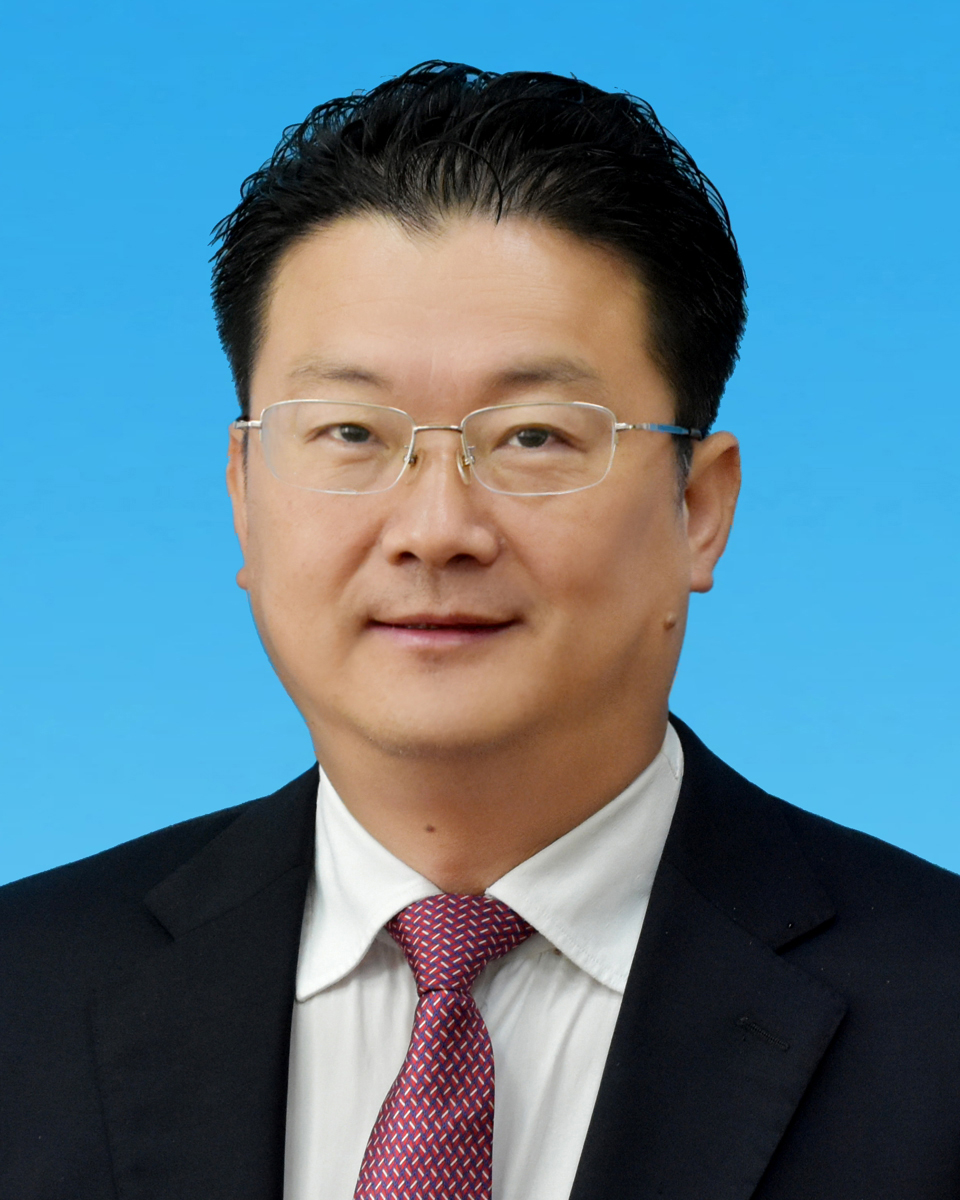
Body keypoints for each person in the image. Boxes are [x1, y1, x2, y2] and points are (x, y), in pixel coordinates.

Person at [1, 60, 958, 1200]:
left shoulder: (935, 1013)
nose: (435, 531)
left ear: (700, 510)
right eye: (351, 432)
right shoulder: (25, 994)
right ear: (244, 495)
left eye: (535, 437)